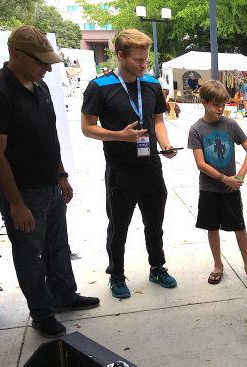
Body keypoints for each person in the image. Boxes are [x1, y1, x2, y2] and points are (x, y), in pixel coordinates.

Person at [0, 26, 99, 338]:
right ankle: (41, 313)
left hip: (51, 185)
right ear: (15, 55)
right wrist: (16, 203)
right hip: (23, 191)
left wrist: (62, 175)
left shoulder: (39, 87)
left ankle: (64, 295)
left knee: (58, 246)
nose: (48, 68)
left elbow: (49, 137)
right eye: (41, 61)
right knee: (30, 254)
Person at [81, 29, 178, 299]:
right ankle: (116, 274)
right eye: (138, 60)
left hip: (151, 167)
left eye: (146, 59)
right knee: (119, 225)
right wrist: (119, 136)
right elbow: (87, 128)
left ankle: (157, 267)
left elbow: (158, 120)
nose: (143, 64)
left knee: (154, 223)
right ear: (120, 56)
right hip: (120, 170)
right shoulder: (99, 87)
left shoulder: (151, 84)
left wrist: (166, 143)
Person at [187, 80, 247, 287]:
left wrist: (239, 176)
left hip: (231, 188)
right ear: (204, 102)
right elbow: (201, 164)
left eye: (223, 104)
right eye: (215, 104)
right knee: (212, 227)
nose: (220, 108)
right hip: (209, 189)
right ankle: (218, 265)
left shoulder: (230, 125)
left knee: (240, 227)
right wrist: (224, 179)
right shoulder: (197, 129)